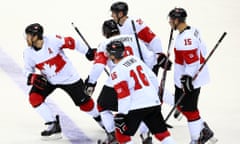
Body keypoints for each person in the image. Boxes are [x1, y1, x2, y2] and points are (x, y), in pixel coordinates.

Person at [85, 19, 170, 144]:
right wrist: (161, 59)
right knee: (142, 108)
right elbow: (151, 58)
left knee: (102, 105)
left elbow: (98, 66)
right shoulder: (133, 38)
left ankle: (113, 135)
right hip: (140, 79)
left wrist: (91, 82)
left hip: (118, 80)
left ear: (105, 33)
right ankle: (145, 135)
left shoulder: (105, 44)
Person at [23, 23, 104, 139]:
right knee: (34, 97)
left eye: (29, 35)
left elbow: (72, 42)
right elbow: (26, 69)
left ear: (37, 36)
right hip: (49, 80)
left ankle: (101, 119)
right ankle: (52, 124)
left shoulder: (52, 40)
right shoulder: (28, 53)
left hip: (69, 78)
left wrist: (87, 52)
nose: (27, 38)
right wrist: (32, 77)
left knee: (85, 104)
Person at [105, 40, 176, 144]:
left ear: (112, 56)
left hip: (136, 106)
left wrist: (122, 114)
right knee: (162, 133)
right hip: (152, 102)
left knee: (121, 135)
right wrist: (156, 97)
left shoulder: (116, 72)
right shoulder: (135, 59)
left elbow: (124, 96)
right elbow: (152, 77)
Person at [168, 8, 217, 144]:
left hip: (190, 80)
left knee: (190, 110)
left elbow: (192, 62)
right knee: (180, 105)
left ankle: (197, 139)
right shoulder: (193, 30)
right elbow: (203, 49)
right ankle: (203, 129)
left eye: (171, 20)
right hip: (186, 78)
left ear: (177, 20)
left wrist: (187, 78)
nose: (170, 22)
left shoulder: (186, 39)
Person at [110, 1, 169, 76]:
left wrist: (158, 58)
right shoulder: (115, 27)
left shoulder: (135, 24)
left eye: (113, 13)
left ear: (120, 14)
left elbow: (154, 40)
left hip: (146, 64)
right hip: (132, 65)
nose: (111, 15)